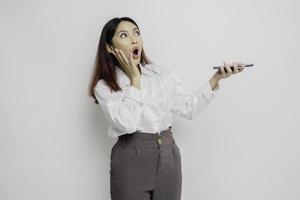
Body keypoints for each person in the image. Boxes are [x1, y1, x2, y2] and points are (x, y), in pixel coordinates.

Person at [88, 16, 245, 200]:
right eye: (124, 35)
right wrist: (135, 80)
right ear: (109, 47)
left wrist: (216, 78)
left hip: (168, 157)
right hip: (131, 160)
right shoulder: (105, 86)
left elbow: (189, 108)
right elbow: (128, 124)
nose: (134, 39)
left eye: (136, 33)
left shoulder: (161, 75)